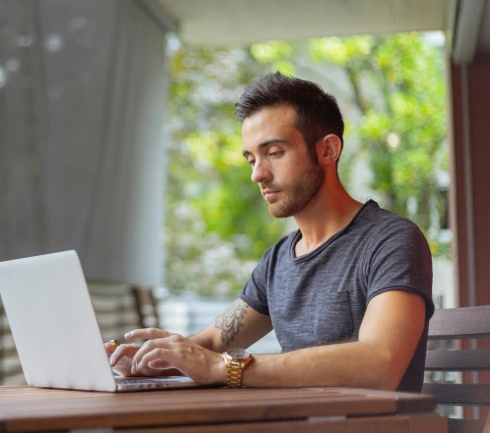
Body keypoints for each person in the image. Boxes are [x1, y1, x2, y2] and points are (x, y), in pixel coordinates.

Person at [107, 73, 434, 392]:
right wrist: (146, 359)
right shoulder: (278, 260)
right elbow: (210, 343)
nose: (257, 174)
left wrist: (227, 367)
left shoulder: (390, 241)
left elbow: (381, 364)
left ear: (328, 150)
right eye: (251, 159)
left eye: (274, 153)